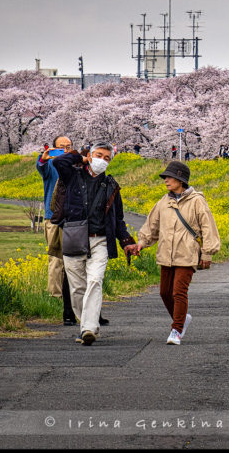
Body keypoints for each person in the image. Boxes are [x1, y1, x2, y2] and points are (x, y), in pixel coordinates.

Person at [52, 142, 137, 345]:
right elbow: (58, 161)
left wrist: (126, 241)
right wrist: (78, 157)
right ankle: (86, 325)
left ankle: (89, 328)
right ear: (89, 155)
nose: (102, 160)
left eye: (107, 158)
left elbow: (118, 219)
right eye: (98, 155)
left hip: (100, 240)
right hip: (74, 236)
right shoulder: (72, 175)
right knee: (77, 288)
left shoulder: (111, 186)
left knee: (95, 281)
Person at [130, 161, 221, 346]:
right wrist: (142, 243)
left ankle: (176, 330)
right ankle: (182, 319)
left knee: (179, 292)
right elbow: (151, 226)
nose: (166, 180)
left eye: (170, 177)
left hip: (187, 254)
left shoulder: (197, 201)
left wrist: (207, 254)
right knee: (164, 293)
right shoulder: (164, 201)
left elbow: (208, 228)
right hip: (166, 254)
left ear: (181, 179)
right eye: (165, 177)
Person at [37, 135, 76, 325]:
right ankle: (54, 296)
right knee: (55, 257)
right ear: (53, 149)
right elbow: (41, 169)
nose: (66, 150)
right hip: (52, 217)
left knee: (73, 258)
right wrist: (44, 159)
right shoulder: (50, 164)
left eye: (68, 147)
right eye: (61, 147)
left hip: (73, 218)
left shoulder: (75, 164)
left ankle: (70, 297)